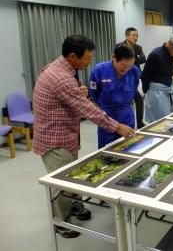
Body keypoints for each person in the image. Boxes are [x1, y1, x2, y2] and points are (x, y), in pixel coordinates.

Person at [33, 35, 135, 238]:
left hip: (67, 134)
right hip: (55, 138)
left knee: (72, 173)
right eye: (86, 58)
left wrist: (79, 91)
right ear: (72, 55)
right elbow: (89, 110)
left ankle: (76, 205)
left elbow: (74, 98)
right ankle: (61, 222)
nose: (89, 62)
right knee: (61, 181)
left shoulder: (67, 69)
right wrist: (117, 127)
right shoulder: (61, 77)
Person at [89, 45, 140, 148]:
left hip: (127, 115)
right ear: (113, 57)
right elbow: (94, 93)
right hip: (107, 116)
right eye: (123, 65)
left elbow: (134, 90)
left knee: (129, 148)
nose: (126, 69)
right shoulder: (99, 71)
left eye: (130, 66)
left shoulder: (134, 71)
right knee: (107, 150)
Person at [142, 33, 173, 123]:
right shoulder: (155, 54)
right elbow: (145, 75)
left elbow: (171, 73)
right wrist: (147, 91)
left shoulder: (171, 55)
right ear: (171, 44)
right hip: (156, 94)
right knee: (157, 122)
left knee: (167, 119)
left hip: (166, 92)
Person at [116, 27, 146, 128]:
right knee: (125, 100)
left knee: (139, 99)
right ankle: (122, 124)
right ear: (127, 35)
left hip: (134, 76)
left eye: (137, 35)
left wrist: (131, 59)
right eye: (133, 35)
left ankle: (140, 122)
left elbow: (143, 59)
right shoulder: (120, 46)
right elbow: (119, 61)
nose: (136, 37)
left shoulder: (138, 47)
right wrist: (134, 58)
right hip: (122, 76)